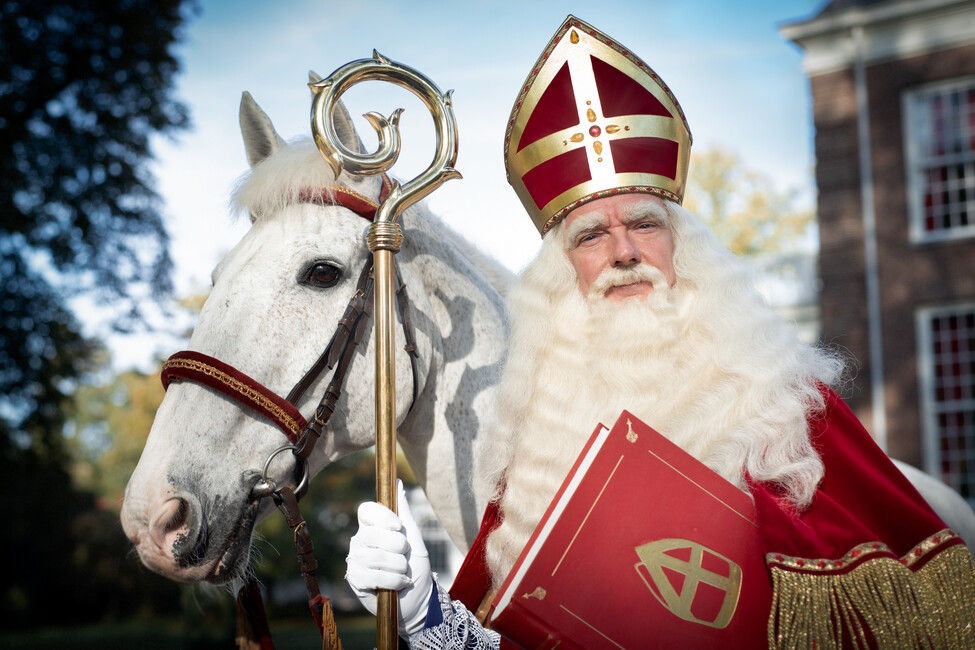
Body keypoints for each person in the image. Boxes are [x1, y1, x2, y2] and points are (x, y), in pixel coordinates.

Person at [345, 15, 975, 648]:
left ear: (683, 249)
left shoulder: (787, 409)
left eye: (644, 224)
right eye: (591, 235)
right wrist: (424, 614)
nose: (624, 252)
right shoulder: (538, 448)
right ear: (562, 276)